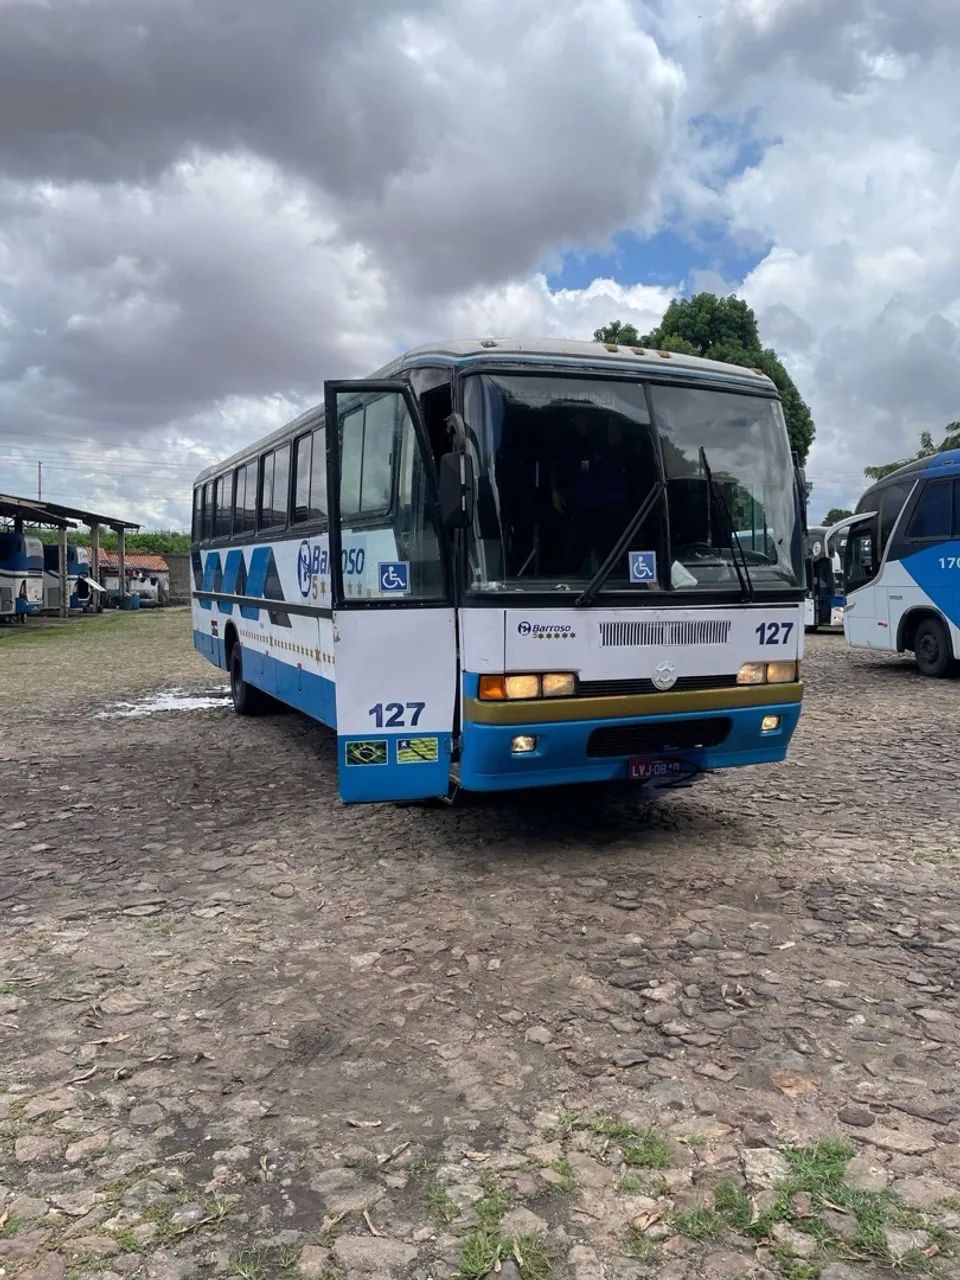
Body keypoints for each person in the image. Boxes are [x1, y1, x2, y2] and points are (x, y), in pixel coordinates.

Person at [550, 412, 635, 575]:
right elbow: (556, 465)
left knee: (612, 563)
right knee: (574, 561)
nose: (586, 421)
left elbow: (616, 444)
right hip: (579, 512)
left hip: (614, 513)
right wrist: (555, 491)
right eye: (580, 417)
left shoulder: (616, 443)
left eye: (593, 416)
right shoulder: (569, 444)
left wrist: (612, 424)